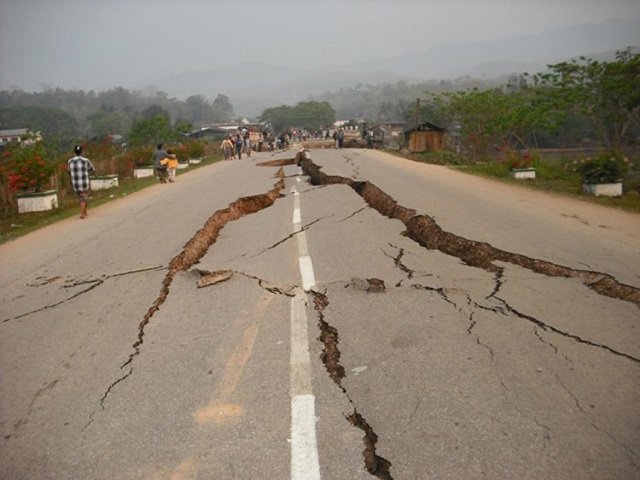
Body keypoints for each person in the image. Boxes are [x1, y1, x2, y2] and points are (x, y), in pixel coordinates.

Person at [67, 145, 96, 219]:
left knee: (82, 197)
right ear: (82, 152)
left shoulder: (70, 161)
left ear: (74, 152)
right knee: (83, 197)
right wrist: (90, 173)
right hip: (84, 183)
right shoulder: (86, 160)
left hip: (75, 184)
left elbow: (69, 172)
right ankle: (82, 214)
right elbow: (92, 169)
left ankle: (85, 212)